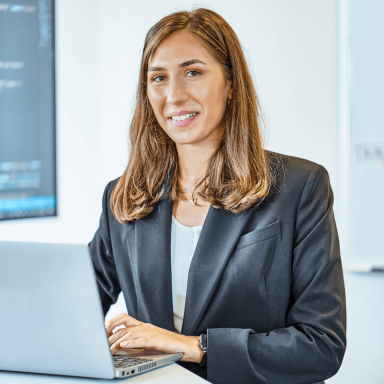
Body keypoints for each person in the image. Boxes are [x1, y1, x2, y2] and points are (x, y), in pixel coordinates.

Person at [89, 8, 346, 384]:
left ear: (230, 83)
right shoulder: (124, 197)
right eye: (158, 77)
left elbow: (321, 346)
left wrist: (194, 346)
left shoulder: (300, 187)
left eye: (192, 72)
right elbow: (76, 306)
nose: (174, 95)